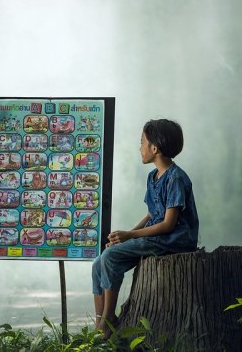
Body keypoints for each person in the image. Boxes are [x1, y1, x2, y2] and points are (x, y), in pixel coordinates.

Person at [91, 118, 199, 337]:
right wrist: (125, 236)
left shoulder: (176, 178)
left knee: (110, 257)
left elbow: (168, 224)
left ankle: (108, 322)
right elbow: (152, 212)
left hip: (174, 240)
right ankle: (100, 320)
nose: (139, 148)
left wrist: (130, 235)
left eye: (142, 142)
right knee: (98, 262)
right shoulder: (153, 176)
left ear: (155, 148)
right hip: (156, 236)